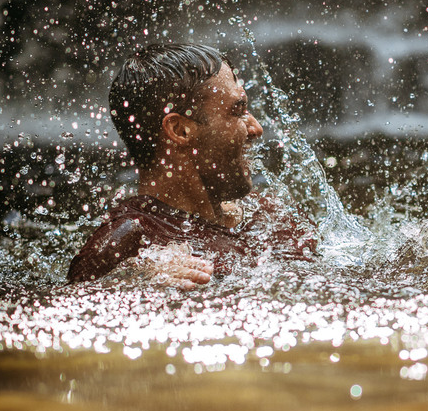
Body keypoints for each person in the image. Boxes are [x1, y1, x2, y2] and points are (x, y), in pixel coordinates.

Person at [68, 43, 315, 288]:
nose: (256, 129)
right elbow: (67, 303)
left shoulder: (269, 216)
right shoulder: (126, 243)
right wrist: (134, 281)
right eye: (237, 111)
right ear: (180, 130)